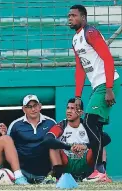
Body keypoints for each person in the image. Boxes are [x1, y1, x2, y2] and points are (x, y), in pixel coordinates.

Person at [69, 4, 120, 181]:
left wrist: (109, 88)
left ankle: (99, 170)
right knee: (95, 126)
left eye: (74, 15)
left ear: (83, 18)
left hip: (106, 83)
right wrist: (77, 95)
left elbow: (107, 58)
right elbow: (80, 68)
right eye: (69, 15)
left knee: (89, 121)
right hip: (97, 85)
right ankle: (100, 172)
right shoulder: (75, 39)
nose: (70, 18)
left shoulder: (90, 32)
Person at [44, 98, 111, 182]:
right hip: (67, 162)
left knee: (101, 145)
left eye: (73, 109)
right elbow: (47, 140)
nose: (68, 111)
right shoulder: (62, 125)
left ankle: (101, 173)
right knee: (53, 147)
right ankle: (59, 177)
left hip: (85, 161)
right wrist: (69, 147)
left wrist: (85, 146)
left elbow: (107, 138)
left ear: (80, 112)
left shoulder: (87, 126)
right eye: (68, 108)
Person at [0, 95, 56, 184]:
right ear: (24, 109)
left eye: (35, 105)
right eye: (29, 107)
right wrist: (4, 135)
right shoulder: (15, 125)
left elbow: (58, 149)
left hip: (44, 174)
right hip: (22, 173)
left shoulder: (51, 123)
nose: (33, 109)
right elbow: (9, 149)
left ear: (40, 106)